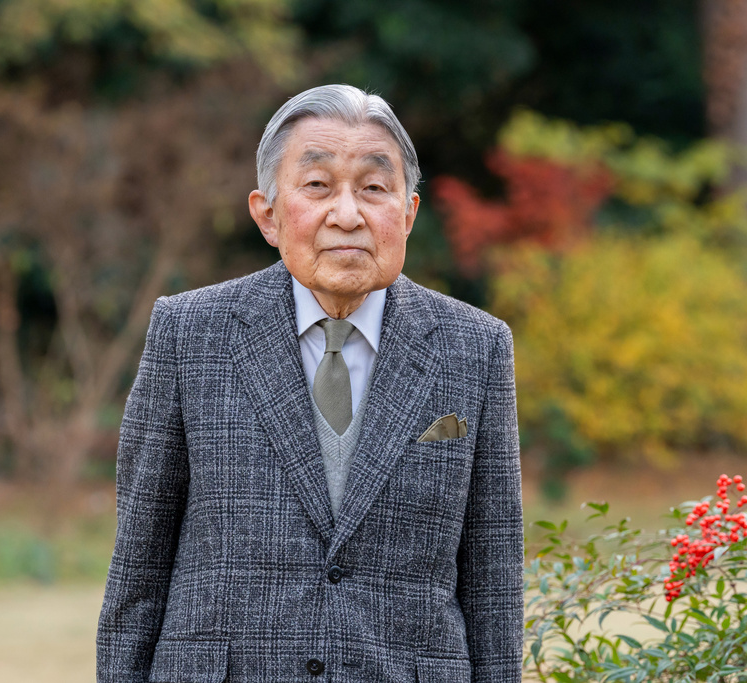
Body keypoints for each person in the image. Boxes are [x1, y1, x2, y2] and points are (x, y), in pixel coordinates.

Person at [97, 84, 523, 682]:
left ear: (408, 213)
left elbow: (493, 577)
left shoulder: (474, 347)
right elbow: (138, 566)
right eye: (318, 186)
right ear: (268, 214)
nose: (347, 214)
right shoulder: (189, 333)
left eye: (374, 189)